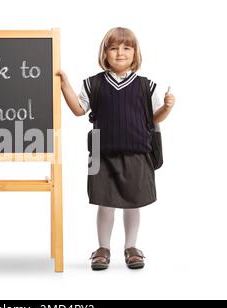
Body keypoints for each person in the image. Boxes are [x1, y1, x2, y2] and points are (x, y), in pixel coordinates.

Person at [57, 27, 175, 270]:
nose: (120, 53)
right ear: (105, 53)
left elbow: (155, 118)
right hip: (100, 153)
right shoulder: (93, 84)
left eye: (126, 48)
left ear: (135, 53)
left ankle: (131, 247)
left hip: (137, 152)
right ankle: (103, 248)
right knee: (104, 202)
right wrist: (64, 85)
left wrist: (167, 107)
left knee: (134, 202)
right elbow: (79, 110)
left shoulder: (146, 86)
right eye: (114, 48)